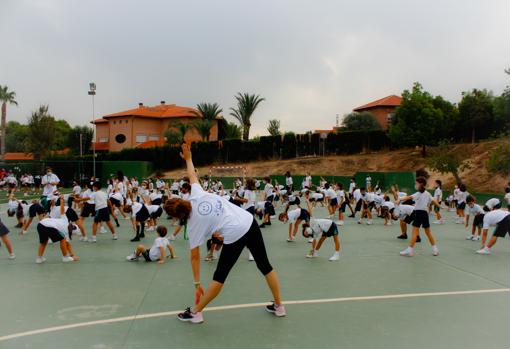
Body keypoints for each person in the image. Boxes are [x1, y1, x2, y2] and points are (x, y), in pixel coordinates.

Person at [163, 143, 285, 324]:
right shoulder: (197, 193)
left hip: (235, 233)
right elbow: (192, 174)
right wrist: (188, 158)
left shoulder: (193, 225)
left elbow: (195, 257)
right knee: (265, 265)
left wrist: (197, 284)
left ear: (177, 217)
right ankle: (279, 306)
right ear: (181, 200)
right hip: (248, 221)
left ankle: (196, 313)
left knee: (219, 276)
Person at [397, 177, 439, 257]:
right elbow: (433, 201)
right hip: (425, 214)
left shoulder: (418, 194)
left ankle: (410, 250)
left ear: (420, 184)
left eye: (416, 183)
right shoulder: (427, 193)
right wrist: (439, 206)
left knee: (415, 232)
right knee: (428, 232)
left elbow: (408, 197)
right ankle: (435, 250)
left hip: (418, 213)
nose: (415, 185)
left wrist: (399, 199)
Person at [36, 195, 79, 264]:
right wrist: (72, 255)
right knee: (62, 239)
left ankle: (39, 258)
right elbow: (67, 244)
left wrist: (62, 201)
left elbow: (62, 210)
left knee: (43, 242)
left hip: (41, 224)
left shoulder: (65, 220)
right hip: (49, 226)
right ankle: (65, 258)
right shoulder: (66, 233)